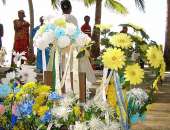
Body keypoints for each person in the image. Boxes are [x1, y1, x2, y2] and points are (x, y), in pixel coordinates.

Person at [60, 0, 96, 94]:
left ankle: (64, 89)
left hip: (62, 46)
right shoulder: (73, 18)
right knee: (76, 66)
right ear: (70, 8)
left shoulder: (59, 18)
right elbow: (76, 32)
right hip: (73, 46)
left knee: (64, 68)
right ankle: (76, 88)